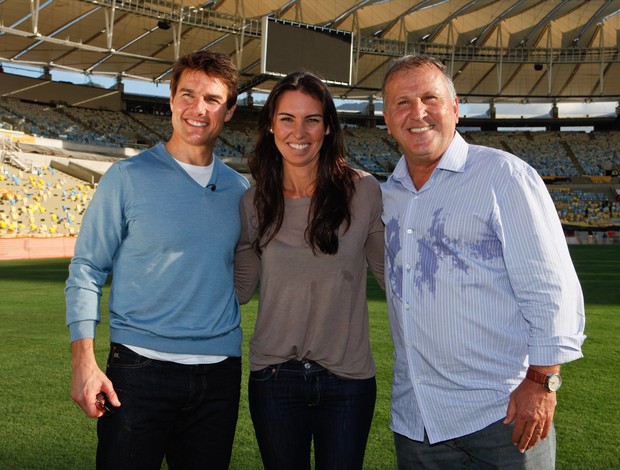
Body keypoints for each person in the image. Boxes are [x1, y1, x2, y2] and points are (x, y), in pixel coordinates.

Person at [380, 54, 586, 469]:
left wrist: (543, 381)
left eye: (429, 98)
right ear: (387, 118)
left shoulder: (503, 176)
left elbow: (552, 287)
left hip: (500, 414)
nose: (417, 112)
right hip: (417, 419)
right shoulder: (389, 194)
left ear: (455, 109)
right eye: (402, 102)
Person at [65, 50, 249, 470]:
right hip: (137, 370)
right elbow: (87, 268)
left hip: (219, 374)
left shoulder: (241, 191)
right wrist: (83, 361)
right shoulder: (126, 178)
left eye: (213, 99)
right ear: (170, 99)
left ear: (230, 111)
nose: (197, 109)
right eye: (187, 94)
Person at [235, 71, 384, 470]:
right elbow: (240, 289)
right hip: (273, 378)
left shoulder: (364, 191)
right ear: (270, 125)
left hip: (347, 380)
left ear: (328, 126)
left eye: (312, 119)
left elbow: (396, 279)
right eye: (287, 118)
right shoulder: (253, 202)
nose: (298, 131)